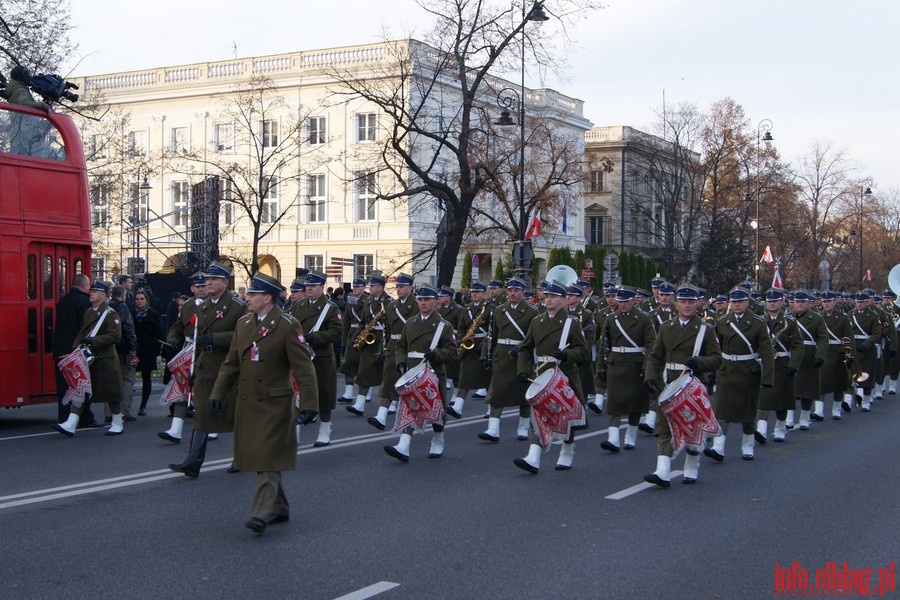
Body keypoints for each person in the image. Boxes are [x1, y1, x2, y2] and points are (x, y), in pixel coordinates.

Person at [208, 272, 319, 534]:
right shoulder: (244, 324)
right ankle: (279, 507)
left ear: (267, 298)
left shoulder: (287, 325)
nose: (247, 297)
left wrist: (309, 405)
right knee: (261, 455)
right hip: (248, 403)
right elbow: (231, 364)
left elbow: (303, 368)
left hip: (274, 403)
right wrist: (217, 394)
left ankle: (261, 512)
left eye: (253, 294)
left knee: (266, 458)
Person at [169, 262, 245, 478]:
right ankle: (193, 462)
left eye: (213, 280)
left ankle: (241, 457)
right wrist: (193, 367)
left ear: (225, 282)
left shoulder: (237, 307)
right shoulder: (202, 307)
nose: (208, 283)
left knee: (234, 415)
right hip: (205, 365)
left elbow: (244, 336)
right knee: (201, 414)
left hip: (228, 367)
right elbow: (196, 339)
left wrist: (216, 338)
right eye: (207, 280)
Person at [643, 285, 722, 487]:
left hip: (693, 384)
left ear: (697, 303)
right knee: (664, 428)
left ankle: (691, 467)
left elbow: (716, 359)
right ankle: (662, 471)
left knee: (693, 428)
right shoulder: (666, 328)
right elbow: (655, 357)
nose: (687, 305)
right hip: (669, 383)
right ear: (676, 304)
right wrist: (650, 377)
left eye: (691, 301)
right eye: (683, 301)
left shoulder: (705, 328)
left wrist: (700, 362)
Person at [514, 279, 588, 473]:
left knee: (566, 415)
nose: (548, 299)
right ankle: (533, 457)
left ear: (564, 300)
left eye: (553, 296)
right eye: (547, 296)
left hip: (564, 375)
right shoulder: (537, 322)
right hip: (542, 374)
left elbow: (582, 351)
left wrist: (567, 355)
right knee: (539, 414)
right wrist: (523, 369)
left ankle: (567, 450)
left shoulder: (571, 323)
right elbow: (525, 348)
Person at [384, 285, 458, 461]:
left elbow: (452, 351)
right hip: (412, 372)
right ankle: (404, 445)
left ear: (436, 302)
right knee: (409, 408)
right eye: (420, 300)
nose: (423, 303)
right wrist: (400, 361)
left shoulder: (443, 326)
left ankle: (438, 439)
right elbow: (401, 346)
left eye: (427, 300)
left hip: (431, 372)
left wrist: (437, 354)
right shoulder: (410, 323)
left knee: (436, 410)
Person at [705, 287, 774, 462]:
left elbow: (766, 353)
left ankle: (748, 446)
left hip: (748, 371)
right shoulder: (722, 322)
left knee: (748, 412)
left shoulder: (758, 323)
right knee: (721, 411)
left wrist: (767, 379)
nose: (737, 305)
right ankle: (718, 447)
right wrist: (712, 370)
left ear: (747, 302)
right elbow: (716, 348)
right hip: (726, 370)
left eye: (740, 301)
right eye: (734, 302)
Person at [53, 281, 126, 437]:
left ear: (105, 295)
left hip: (105, 359)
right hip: (88, 358)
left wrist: (94, 341)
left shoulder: (111, 313)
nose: (91, 293)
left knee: (111, 393)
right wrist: (75, 349)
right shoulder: (88, 312)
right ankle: (71, 423)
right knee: (80, 389)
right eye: (91, 290)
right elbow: (81, 333)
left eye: (96, 291)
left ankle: (117, 422)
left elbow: (115, 336)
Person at [597, 286, 656, 453]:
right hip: (616, 364)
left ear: (633, 301)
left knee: (635, 403)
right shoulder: (611, 318)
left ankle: (631, 436)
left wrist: (647, 367)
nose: (622, 305)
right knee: (614, 403)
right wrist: (600, 367)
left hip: (636, 364)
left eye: (626, 302)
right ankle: (613, 438)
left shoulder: (644, 319)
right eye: (620, 301)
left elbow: (651, 344)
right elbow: (604, 345)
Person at [478, 278, 537, 442]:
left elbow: (533, 338)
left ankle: (523, 427)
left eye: (516, 290)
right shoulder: (499, 310)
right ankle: (493, 429)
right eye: (510, 290)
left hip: (521, 357)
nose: (512, 293)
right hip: (501, 356)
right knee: (497, 392)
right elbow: (492, 335)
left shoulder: (532, 312)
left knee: (523, 394)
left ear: (523, 293)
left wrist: (519, 350)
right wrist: (486, 355)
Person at [289, 270, 343, 447]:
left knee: (324, 394)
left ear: (321, 287)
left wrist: (315, 337)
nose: (309, 288)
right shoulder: (299, 305)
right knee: (298, 391)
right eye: (307, 286)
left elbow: (336, 333)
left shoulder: (330, 307)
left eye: (313, 286)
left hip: (321, 356)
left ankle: (325, 428)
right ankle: (294, 431)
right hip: (302, 355)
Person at [158, 272, 207, 443]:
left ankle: (211, 426)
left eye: (204, 286)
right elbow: (178, 326)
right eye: (198, 287)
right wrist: (172, 338)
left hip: (206, 351)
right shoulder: (187, 306)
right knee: (181, 387)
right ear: (192, 288)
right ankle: (175, 430)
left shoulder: (215, 305)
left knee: (205, 390)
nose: (201, 289)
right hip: (188, 350)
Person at [755, 289, 804, 443]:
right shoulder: (760, 321)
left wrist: (794, 365)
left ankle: (780, 428)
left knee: (782, 399)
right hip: (765, 364)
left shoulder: (790, 322)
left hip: (783, 364)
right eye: (769, 301)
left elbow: (798, 346)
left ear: (782, 302)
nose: (772, 303)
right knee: (763, 399)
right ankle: (761, 430)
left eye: (775, 301)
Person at [52, 274, 94, 424]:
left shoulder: (63, 301)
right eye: (89, 285)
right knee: (81, 384)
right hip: (75, 349)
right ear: (84, 286)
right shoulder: (84, 302)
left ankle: (64, 416)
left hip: (59, 348)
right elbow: (85, 327)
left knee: (63, 386)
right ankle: (85, 417)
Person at [449, 282, 492, 419]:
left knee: (488, 379)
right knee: (464, 378)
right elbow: (461, 327)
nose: (474, 294)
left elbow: (494, 328)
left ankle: (491, 409)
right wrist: (462, 339)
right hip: (469, 345)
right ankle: (458, 407)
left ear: (483, 293)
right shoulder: (466, 309)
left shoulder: (491, 308)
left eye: (477, 292)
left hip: (484, 346)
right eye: (472, 292)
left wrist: (486, 343)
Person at [356, 272, 392, 426]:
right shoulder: (368, 301)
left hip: (382, 339)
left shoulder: (389, 302)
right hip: (369, 339)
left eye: (373, 285)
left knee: (387, 374)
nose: (370, 288)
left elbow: (392, 325)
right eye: (370, 285)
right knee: (364, 371)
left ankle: (392, 402)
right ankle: (360, 403)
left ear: (381, 287)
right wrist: (358, 337)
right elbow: (363, 321)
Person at [108, 284, 138, 422]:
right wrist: (133, 347)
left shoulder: (107, 306)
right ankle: (124, 410)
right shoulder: (122, 307)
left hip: (110, 347)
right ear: (123, 294)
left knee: (112, 379)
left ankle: (109, 412)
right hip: (124, 347)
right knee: (127, 379)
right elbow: (127, 326)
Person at [132, 289, 163, 416]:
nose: (139, 302)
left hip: (147, 349)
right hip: (133, 349)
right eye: (137, 299)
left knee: (146, 377)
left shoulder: (153, 314)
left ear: (146, 300)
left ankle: (143, 405)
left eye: (142, 299)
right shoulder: (131, 314)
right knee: (128, 378)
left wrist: (156, 349)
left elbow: (159, 333)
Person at [338, 278, 368, 402]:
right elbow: (346, 322)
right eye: (354, 286)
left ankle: (367, 391)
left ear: (364, 287)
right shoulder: (350, 301)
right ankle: (348, 392)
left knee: (364, 365)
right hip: (352, 334)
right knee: (349, 363)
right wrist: (344, 341)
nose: (355, 288)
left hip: (364, 334)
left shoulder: (368, 300)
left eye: (358, 286)